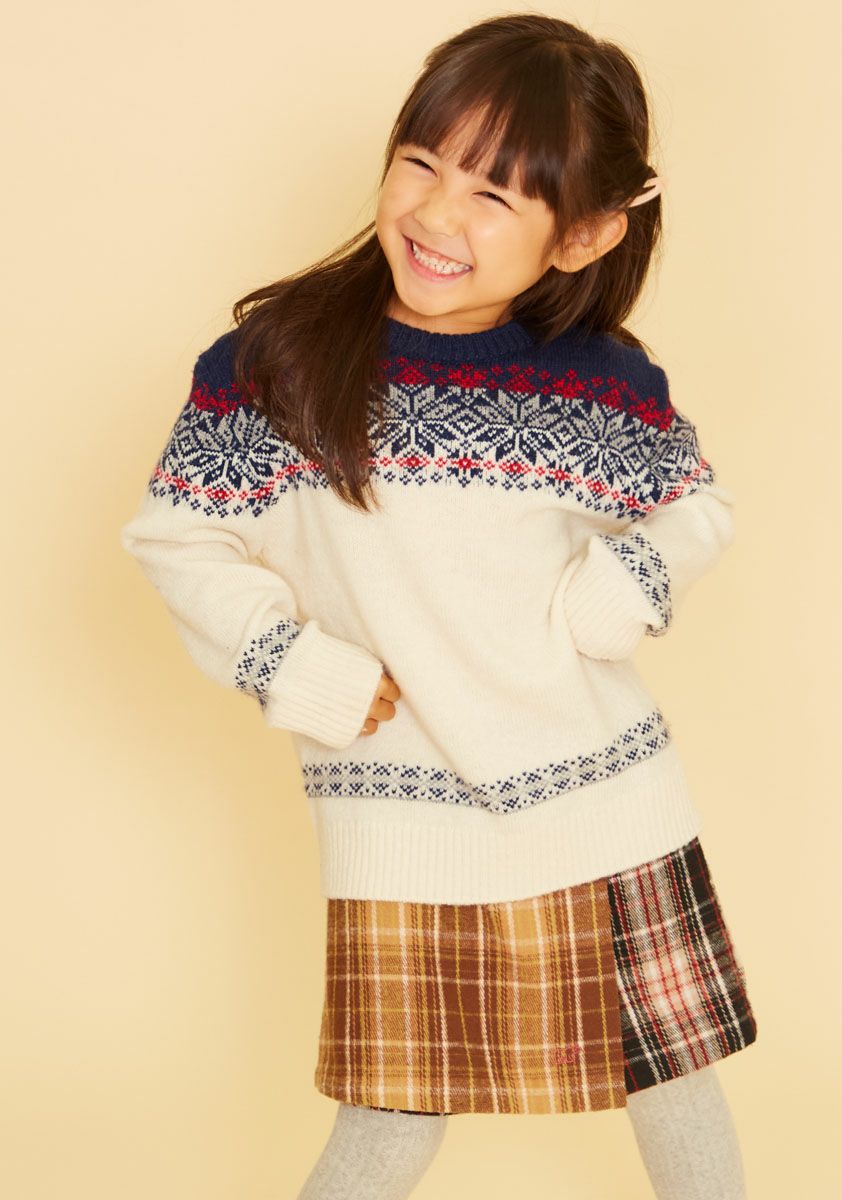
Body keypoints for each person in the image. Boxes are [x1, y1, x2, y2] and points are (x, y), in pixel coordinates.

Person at [120, 12, 758, 1199]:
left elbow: (696, 505)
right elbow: (177, 536)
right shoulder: (276, 369)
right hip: (404, 819)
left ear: (583, 234)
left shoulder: (599, 385)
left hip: (606, 796)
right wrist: (290, 664)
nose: (436, 213)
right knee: (390, 1124)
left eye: (494, 195)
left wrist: (629, 582)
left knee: (675, 1089)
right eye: (422, 162)